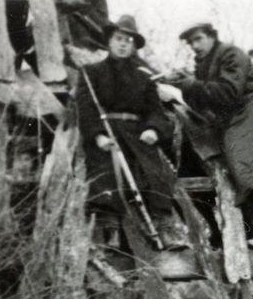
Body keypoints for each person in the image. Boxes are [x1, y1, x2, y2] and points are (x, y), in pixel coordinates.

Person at [75, 16, 189, 251]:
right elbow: (85, 109)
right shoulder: (91, 72)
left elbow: (156, 111)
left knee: (153, 170)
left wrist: (153, 129)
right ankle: (109, 230)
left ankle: (165, 226)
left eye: (128, 41)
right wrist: (98, 135)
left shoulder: (143, 77)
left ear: (134, 46)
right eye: (118, 39)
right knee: (105, 172)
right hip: (107, 132)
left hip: (137, 133)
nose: (123, 44)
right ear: (109, 41)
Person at [172, 23, 253, 251]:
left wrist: (192, 84)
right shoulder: (203, 64)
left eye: (199, 39)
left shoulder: (231, 54)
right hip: (232, 120)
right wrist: (185, 84)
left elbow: (228, 92)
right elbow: (203, 100)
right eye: (191, 42)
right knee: (243, 175)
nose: (195, 46)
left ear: (212, 37)